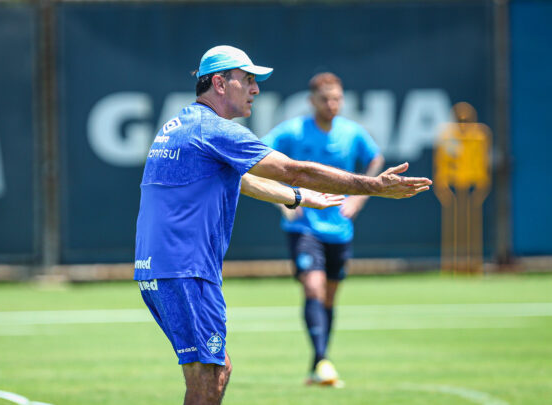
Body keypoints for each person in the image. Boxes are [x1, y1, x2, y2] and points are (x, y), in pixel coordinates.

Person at [134, 45, 431, 405]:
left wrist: (297, 198)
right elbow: (296, 170)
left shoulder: (183, 124)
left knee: (216, 368)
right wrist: (375, 187)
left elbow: (238, 180)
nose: (256, 90)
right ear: (220, 83)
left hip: (162, 268)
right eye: (248, 80)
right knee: (208, 375)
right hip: (187, 270)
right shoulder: (213, 129)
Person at [262, 72, 384, 387]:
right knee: (313, 288)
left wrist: (358, 200)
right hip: (304, 227)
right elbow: (256, 158)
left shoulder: (351, 132)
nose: (332, 104)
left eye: (337, 99)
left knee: (328, 298)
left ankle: (319, 362)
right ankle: (322, 361)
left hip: (339, 230)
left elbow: (375, 159)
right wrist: (285, 200)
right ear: (311, 100)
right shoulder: (292, 131)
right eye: (325, 99)